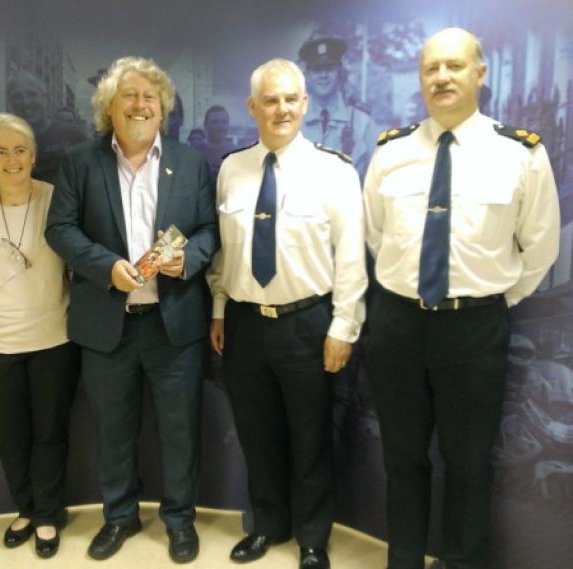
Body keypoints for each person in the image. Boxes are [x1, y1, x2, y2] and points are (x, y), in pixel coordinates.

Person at [363, 27, 560, 569]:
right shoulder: (391, 152)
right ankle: (402, 560)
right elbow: (377, 237)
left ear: (480, 73)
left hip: (474, 329)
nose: (441, 77)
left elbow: (540, 248)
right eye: (431, 68)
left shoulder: (518, 154)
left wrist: (487, 299)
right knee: (402, 459)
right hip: (398, 324)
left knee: (469, 462)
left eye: (453, 66)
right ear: (421, 78)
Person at [45, 56, 217, 564]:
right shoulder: (80, 160)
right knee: (113, 432)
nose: (140, 105)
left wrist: (188, 259)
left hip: (175, 324)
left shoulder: (189, 162)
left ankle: (180, 521)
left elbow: (209, 230)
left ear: (163, 109)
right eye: (128, 97)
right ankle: (118, 517)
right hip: (108, 327)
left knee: (181, 431)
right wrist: (106, 268)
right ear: (108, 109)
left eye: (149, 97)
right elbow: (60, 228)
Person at [208, 58, 367, 569]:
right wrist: (218, 311)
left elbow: (351, 257)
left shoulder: (335, 170)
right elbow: (222, 254)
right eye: (270, 100)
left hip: (308, 324)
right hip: (245, 323)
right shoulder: (232, 168)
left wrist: (343, 327)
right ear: (252, 107)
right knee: (258, 434)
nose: (281, 109)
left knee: (312, 436)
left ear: (305, 104)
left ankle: (313, 538)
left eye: (291, 99)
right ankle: (268, 525)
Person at [0, 113, 79, 559]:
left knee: (50, 432)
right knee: (9, 433)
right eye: (1, 151)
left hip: (53, 337)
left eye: (20, 150)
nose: (12, 159)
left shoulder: (57, 199)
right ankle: (25, 508)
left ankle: (47, 514)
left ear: (34, 155)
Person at [299, 37, 377, 178]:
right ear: (307, 74)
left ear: (340, 71)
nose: (323, 75)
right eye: (317, 69)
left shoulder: (362, 122)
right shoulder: (294, 121)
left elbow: (376, 178)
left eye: (329, 68)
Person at [202, 104, 236, 180]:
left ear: (228, 125)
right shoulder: (196, 153)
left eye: (224, 122)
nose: (220, 126)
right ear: (205, 125)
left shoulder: (237, 153)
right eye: (215, 122)